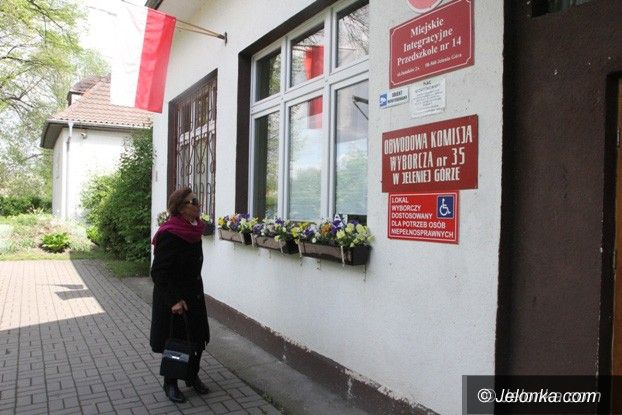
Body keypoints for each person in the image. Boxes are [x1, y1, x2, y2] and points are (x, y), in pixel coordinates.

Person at [150, 187, 210, 403]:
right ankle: (171, 383)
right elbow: (158, 272)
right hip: (175, 297)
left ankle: (192, 376)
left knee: (198, 338)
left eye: (196, 200)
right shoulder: (170, 233)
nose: (198, 204)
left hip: (194, 294)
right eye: (193, 201)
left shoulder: (194, 229)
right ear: (181, 207)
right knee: (176, 342)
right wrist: (174, 300)